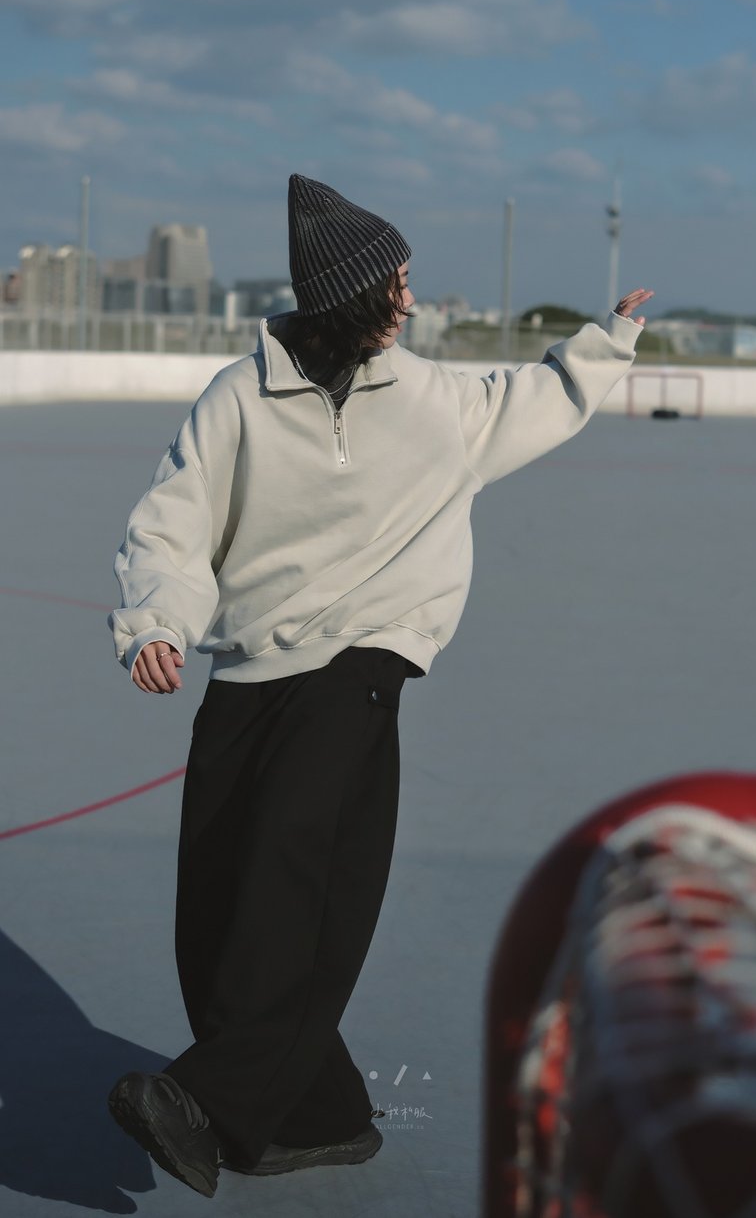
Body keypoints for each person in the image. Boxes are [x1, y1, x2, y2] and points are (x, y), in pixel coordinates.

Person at [106, 172, 654, 1198]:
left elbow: (529, 399)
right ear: (350, 293)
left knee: (290, 880)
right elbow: (171, 524)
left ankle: (204, 1096)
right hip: (252, 665)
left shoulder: (432, 402)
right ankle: (320, 1114)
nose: (408, 298)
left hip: (364, 660)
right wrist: (156, 621)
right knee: (221, 899)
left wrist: (604, 342)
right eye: (395, 282)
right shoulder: (240, 397)